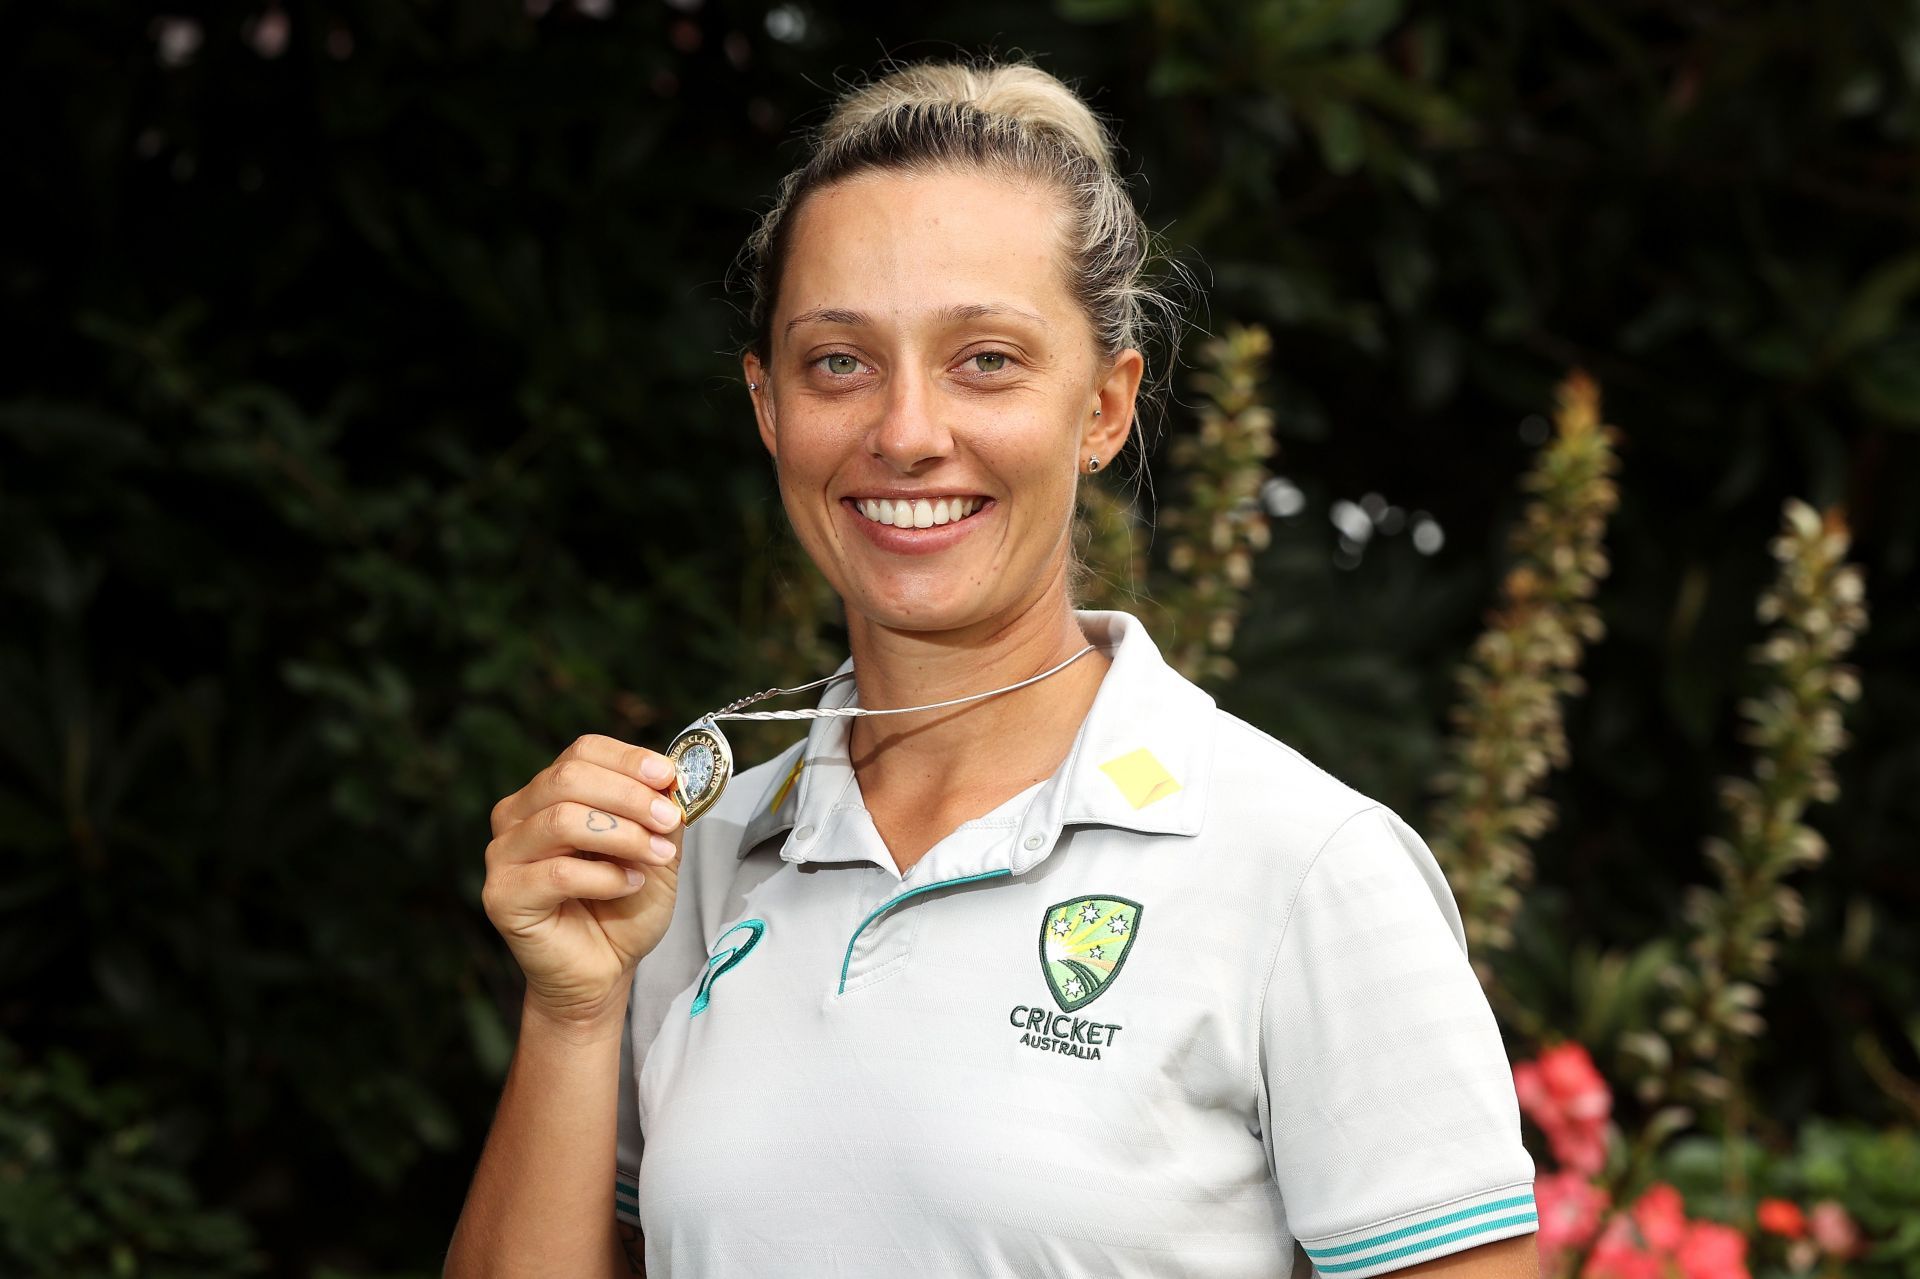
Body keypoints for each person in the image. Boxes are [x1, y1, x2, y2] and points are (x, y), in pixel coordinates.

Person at [445, 57, 1541, 1279]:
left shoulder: (1306, 873)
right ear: (768, 407)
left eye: (987, 361)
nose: (907, 433)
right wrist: (575, 1006)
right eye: (839, 362)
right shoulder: (697, 863)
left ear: (1105, 407)